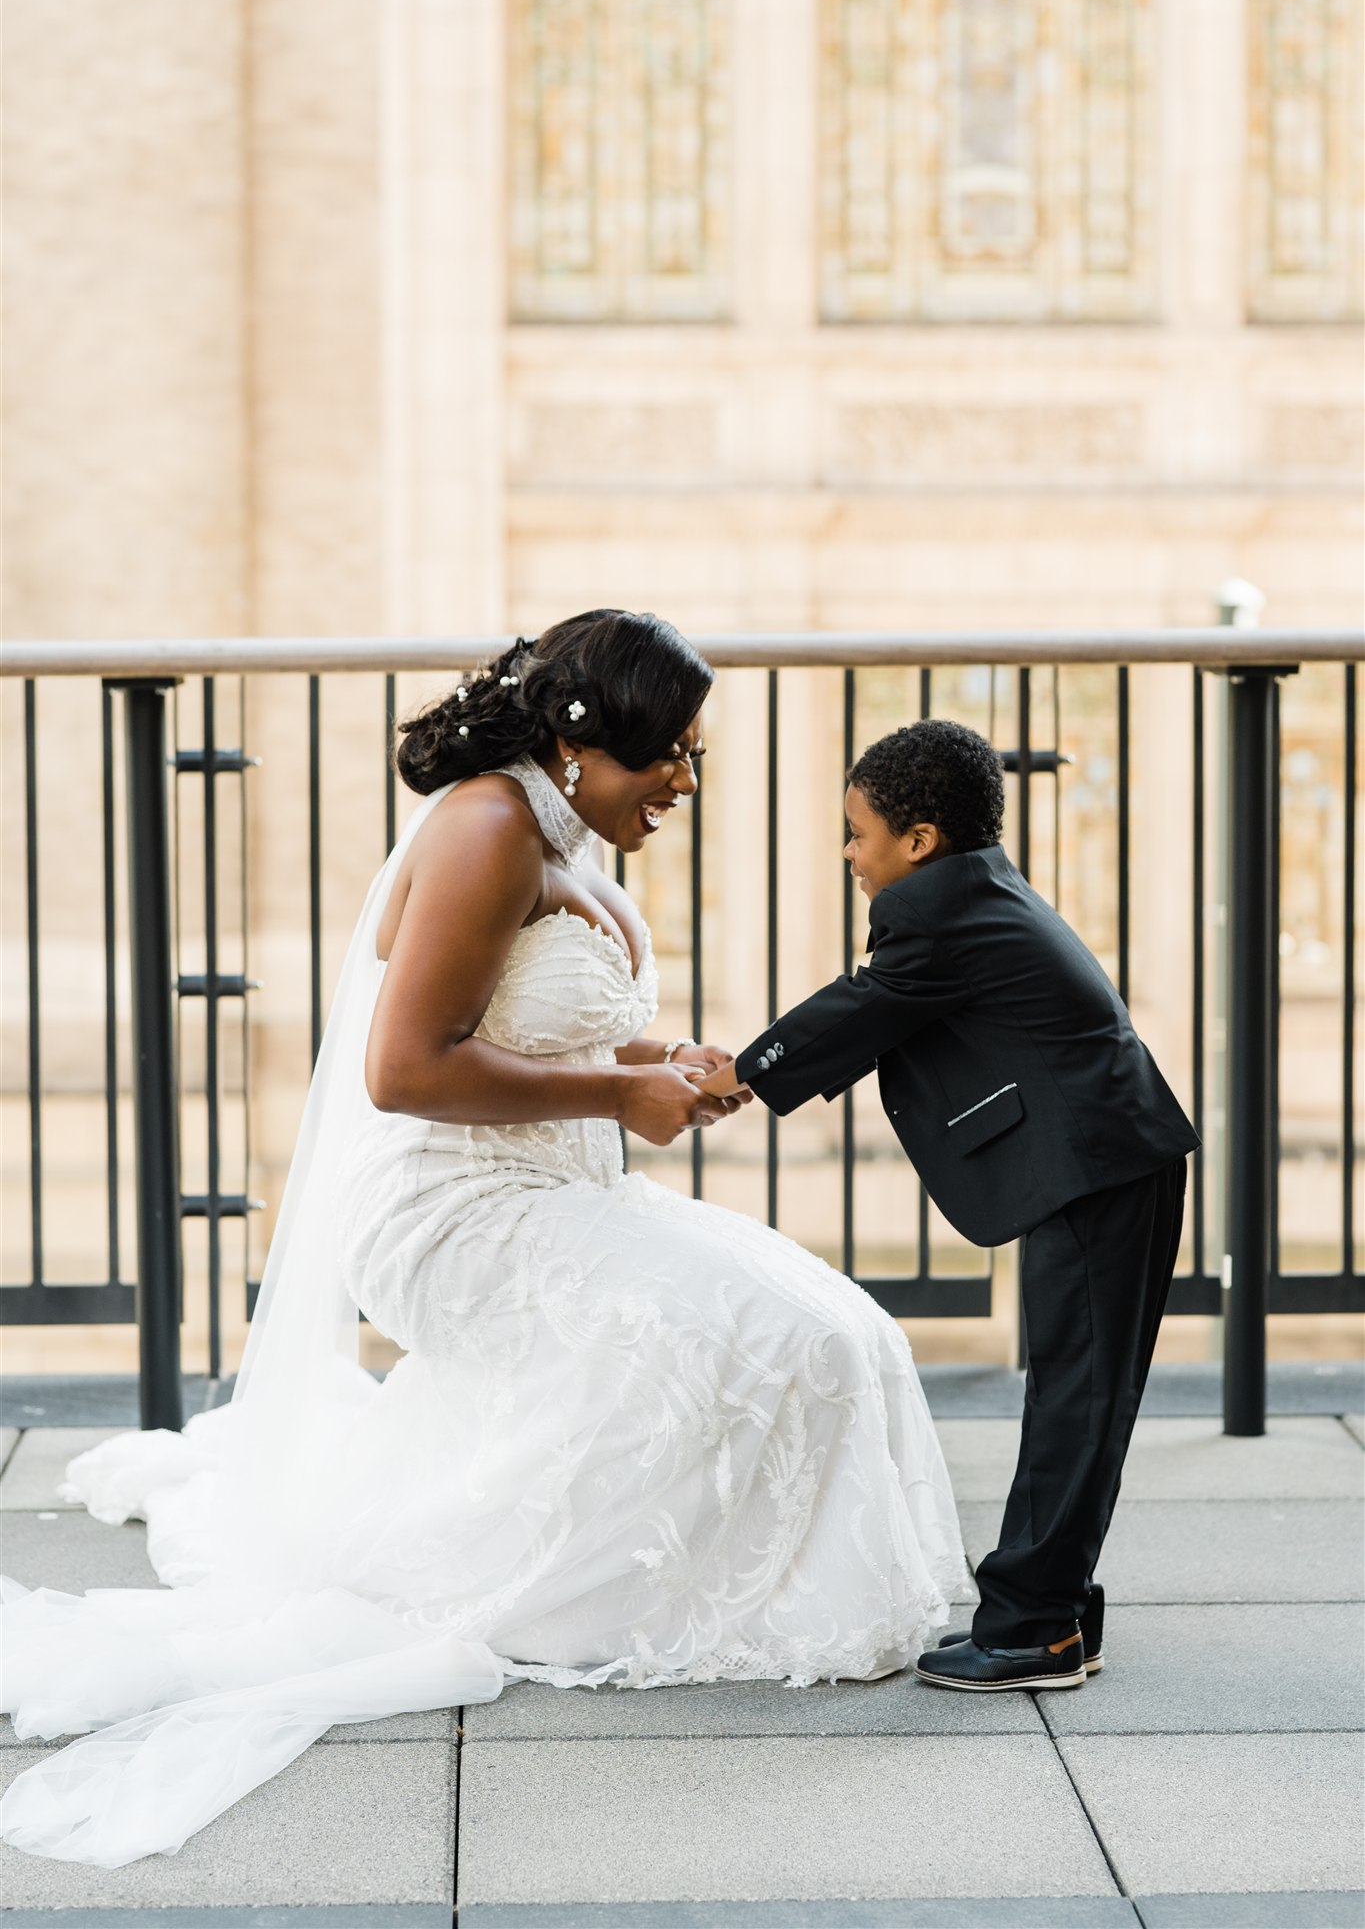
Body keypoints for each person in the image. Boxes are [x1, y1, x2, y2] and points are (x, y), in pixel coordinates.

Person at [0, 612, 966, 1867]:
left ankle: (661, 1568)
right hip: (454, 1212)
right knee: (777, 1337)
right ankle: (628, 1598)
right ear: (578, 742)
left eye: (692, 750)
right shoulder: (485, 828)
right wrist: (620, 1098)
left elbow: (541, 1030)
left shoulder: (562, 834)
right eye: (664, 752)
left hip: (561, 1189)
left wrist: (656, 1060)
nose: (685, 778)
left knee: (845, 1325)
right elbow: (405, 1069)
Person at [698, 719, 1198, 1694]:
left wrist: (741, 1073)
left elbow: (861, 1006)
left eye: (858, 832)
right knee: (1083, 1399)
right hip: (1111, 1157)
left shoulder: (936, 913)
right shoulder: (974, 891)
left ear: (917, 840)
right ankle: (1056, 1610)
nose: (848, 851)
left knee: (1077, 1400)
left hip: (1099, 1165)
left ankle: (1032, 1626)